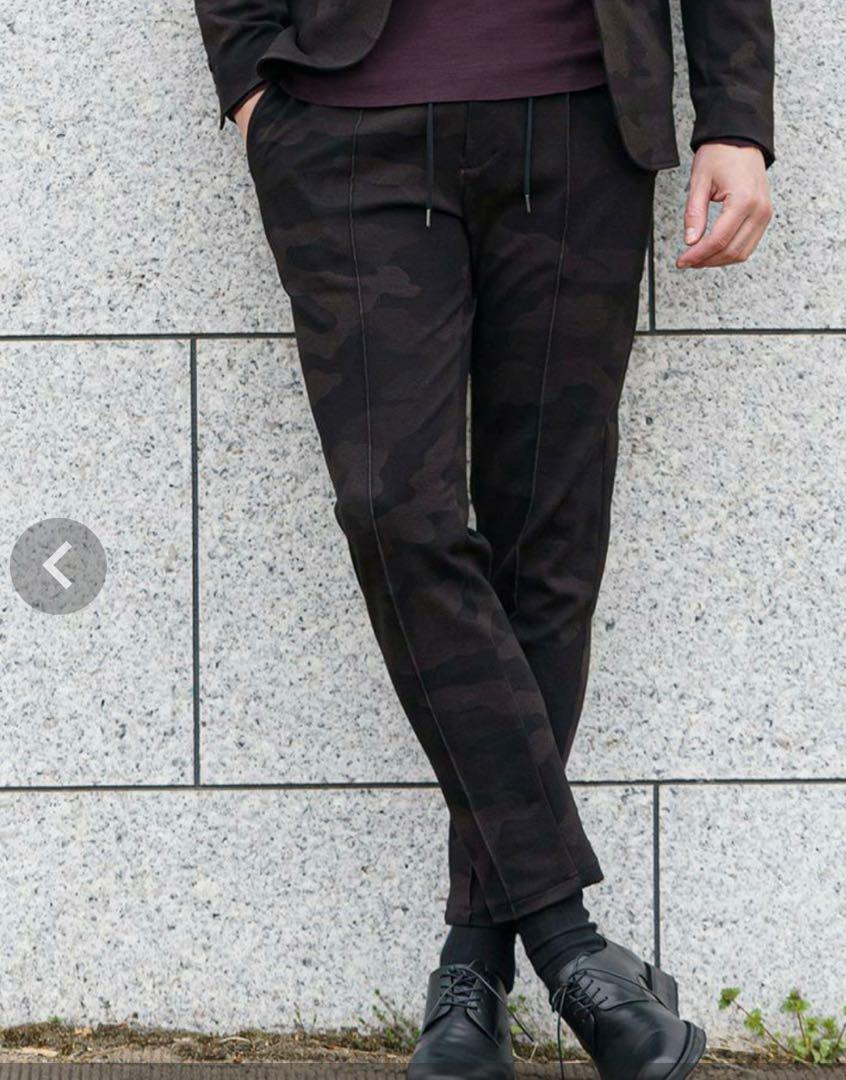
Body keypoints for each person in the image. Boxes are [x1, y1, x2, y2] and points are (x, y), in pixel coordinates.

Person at [193, 2, 774, 1076]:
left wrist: (734, 116)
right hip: (344, 122)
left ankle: (474, 970)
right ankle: (569, 944)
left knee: (545, 546)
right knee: (393, 513)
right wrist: (253, 92)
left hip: (581, 117)